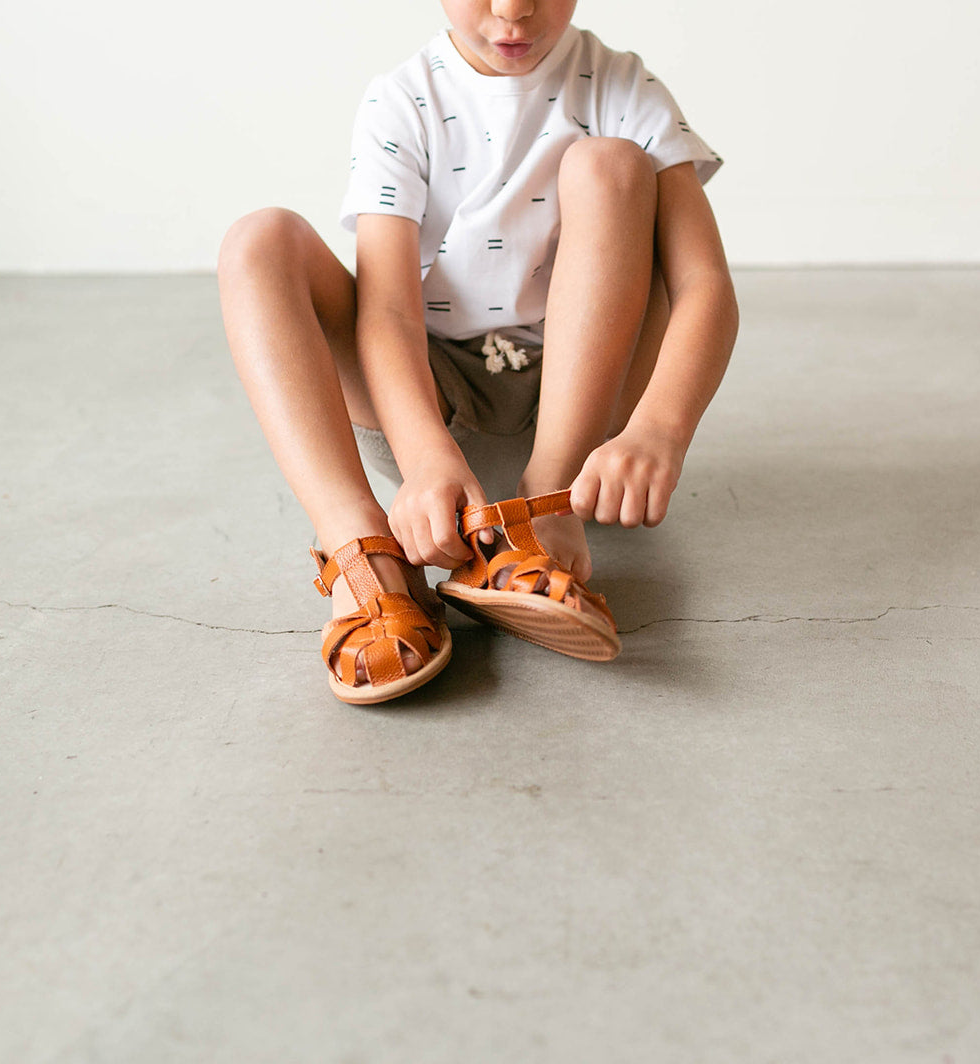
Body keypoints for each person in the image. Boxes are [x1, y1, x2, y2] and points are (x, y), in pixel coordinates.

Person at [218, 0, 738, 704]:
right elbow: (389, 309)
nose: (513, 10)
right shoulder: (403, 99)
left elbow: (705, 285)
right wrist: (425, 454)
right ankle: (362, 545)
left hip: (580, 413)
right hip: (426, 412)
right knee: (257, 241)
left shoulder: (622, 88)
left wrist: (660, 430)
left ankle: (544, 515)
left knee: (612, 165)